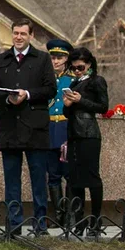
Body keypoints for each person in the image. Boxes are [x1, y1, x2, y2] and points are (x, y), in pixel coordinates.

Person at [0, 18, 57, 235]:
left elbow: (50, 89)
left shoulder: (42, 59)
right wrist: (7, 98)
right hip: (10, 128)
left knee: (38, 180)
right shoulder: (1, 60)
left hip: (35, 128)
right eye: (15, 33)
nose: (17, 37)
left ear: (30, 36)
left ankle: (40, 224)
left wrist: (28, 94)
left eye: (22, 34)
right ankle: (14, 225)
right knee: (12, 181)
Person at [62, 46, 109, 237]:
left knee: (92, 177)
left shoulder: (97, 81)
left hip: (89, 133)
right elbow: (68, 113)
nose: (77, 71)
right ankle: (79, 220)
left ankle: (95, 220)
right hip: (73, 134)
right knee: (75, 179)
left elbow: (103, 107)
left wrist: (81, 100)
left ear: (89, 64)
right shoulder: (73, 83)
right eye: (73, 68)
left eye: (80, 67)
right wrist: (67, 105)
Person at [45, 39, 73, 227]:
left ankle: (70, 214)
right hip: (49, 130)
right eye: (53, 57)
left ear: (67, 59)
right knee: (52, 174)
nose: (56, 61)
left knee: (69, 174)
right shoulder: (44, 79)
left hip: (65, 130)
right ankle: (59, 214)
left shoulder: (72, 79)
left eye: (60, 58)